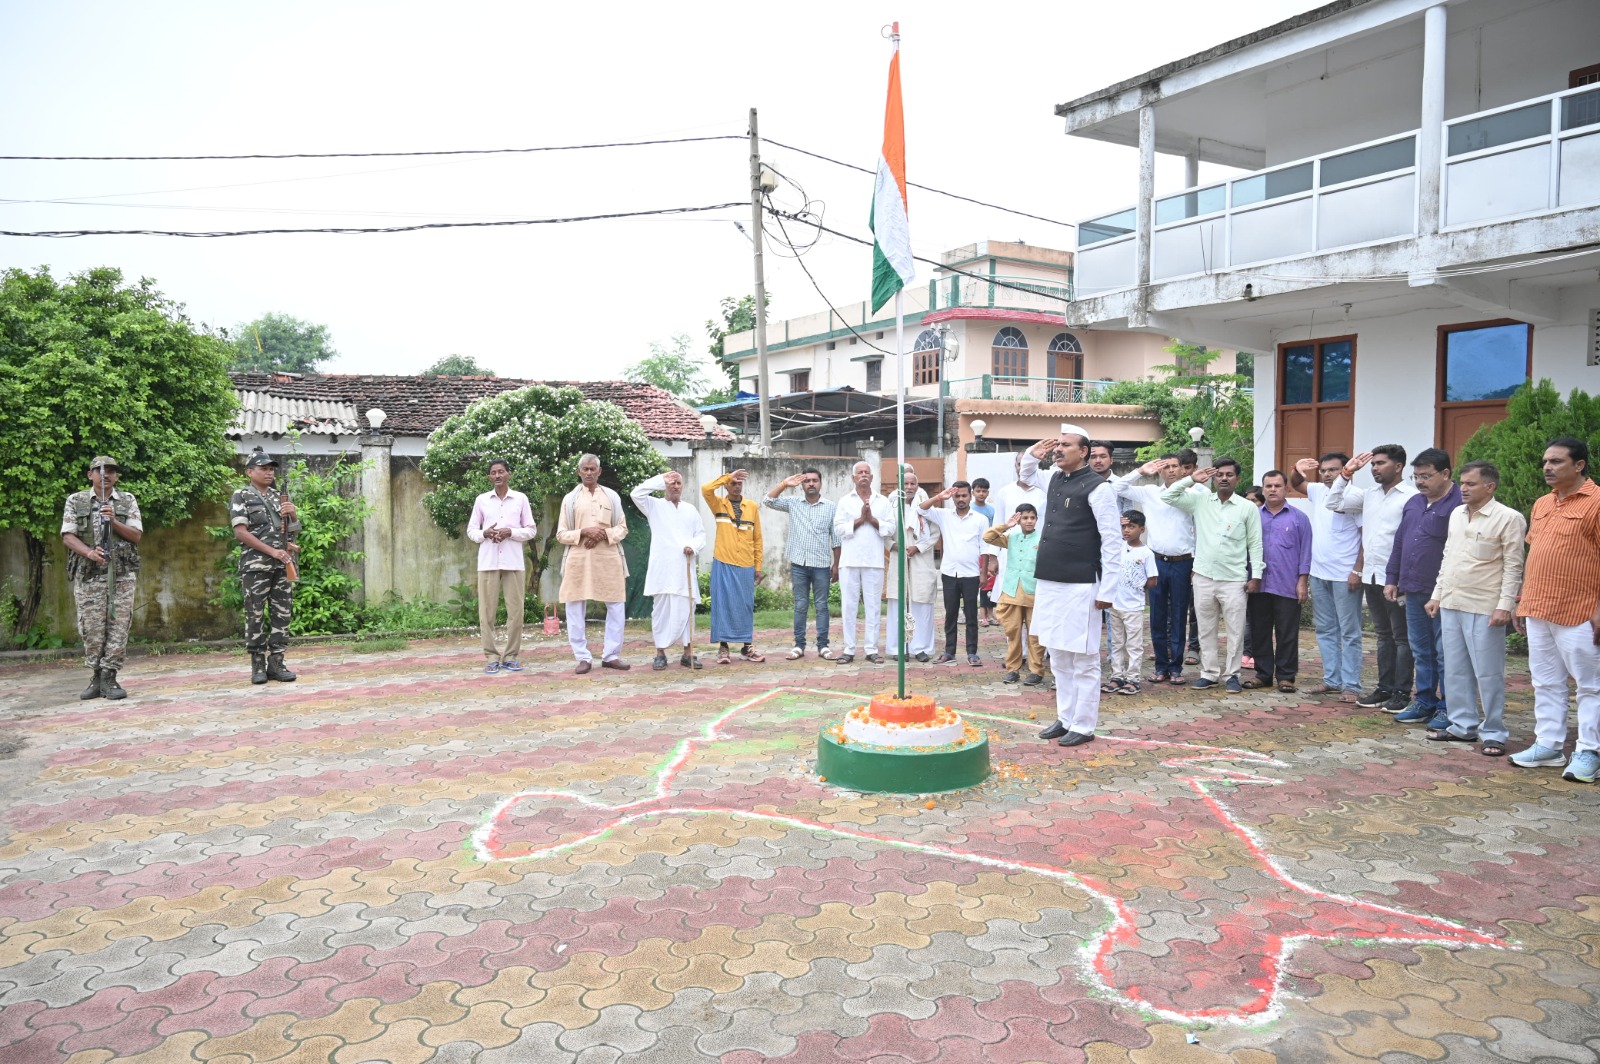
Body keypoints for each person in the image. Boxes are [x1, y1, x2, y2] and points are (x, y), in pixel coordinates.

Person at [1021, 426, 1122, 748]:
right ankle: (1065, 718)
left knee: (1084, 657)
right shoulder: (1054, 478)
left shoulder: (1098, 487)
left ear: (1084, 452)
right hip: (1051, 581)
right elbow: (1028, 475)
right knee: (1058, 656)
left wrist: (1108, 590)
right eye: (1058, 445)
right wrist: (1030, 456)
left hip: (1081, 584)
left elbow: (1112, 541)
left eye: (1066, 445)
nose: (1058, 449)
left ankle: (1083, 723)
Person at [1510, 438, 1600, 781]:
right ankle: (1548, 745)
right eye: (1545, 461)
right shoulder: (1543, 503)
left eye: (1557, 462)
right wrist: (1522, 599)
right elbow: (1537, 554)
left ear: (1579, 465)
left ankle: (1589, 751)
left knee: (1591, 685)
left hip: (1580, 608)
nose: (1548, 467)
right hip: (1539, 605)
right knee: (1545, 681)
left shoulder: (1596, 502)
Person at [1423, 460, 1525, 756]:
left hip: (1485, 606)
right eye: (1462, 483)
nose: (1463, 488)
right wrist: (1437, 595)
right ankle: (1462, 725)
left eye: (1470, 484)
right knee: (1454, 669)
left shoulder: (1509, 518)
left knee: (1488, 672)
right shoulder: (1457, 514)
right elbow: (1448, 557)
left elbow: (1513, 566)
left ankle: (1494, 731)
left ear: (1490, 487)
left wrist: (1505, 606)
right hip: (1453, 602)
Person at [1326, 445, 1417, 713]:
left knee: (1402, 638)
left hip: (1396, 578)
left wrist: (1400, 577)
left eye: (1381, 463)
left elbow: (1411, 540)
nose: (1375, 468)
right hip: (1372, 574)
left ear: (1398, 466)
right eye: (1373, 464)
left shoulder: (1411, 497)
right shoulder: (1369, 495)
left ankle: (1402, 692)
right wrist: (1346, 473)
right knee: (1382, 635)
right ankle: (1384, 688)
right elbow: (1333, 502)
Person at [1161, 458, 1263, 694]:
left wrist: (1255, 575)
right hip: (1204, 576)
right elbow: (1168, 496)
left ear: (1237, 478)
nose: (1224, 478)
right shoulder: (1200, 500)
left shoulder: (1247, 507)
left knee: (1235, 630)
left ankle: (1232, 675)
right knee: (1205, 629)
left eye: (1229, 474)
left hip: (1234, 579)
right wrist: (1190, 480)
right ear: (1213, 477)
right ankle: (1208, 673)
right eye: (1219, 475)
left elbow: (1255, 544)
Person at [1384, 448, 1462, 728]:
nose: (1420, 482)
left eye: (1426, 476)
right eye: (1416, 476)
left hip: (1443, 592)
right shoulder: (1414, 503)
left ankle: (1448, 707)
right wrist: (1392, 578)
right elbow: (1401, 541)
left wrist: (1443, 591)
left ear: (1445, 474)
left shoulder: (1459, 504)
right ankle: (1424, 701)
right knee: (1421, 649)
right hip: (1414, 588)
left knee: (1445, 651)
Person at [60, 456, 142, 700]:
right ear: (90, 475)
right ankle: (96, 675)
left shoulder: (127, 500)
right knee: (91, 626)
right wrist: (89, 553)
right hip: (89, 574)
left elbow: (136, 536)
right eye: (99, 470)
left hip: (121, 574)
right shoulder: (76, 500)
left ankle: (110, 676)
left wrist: (114, 520)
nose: (105, 475)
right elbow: (67, 535)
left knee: (119, 626)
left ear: (116, 476)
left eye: (111, 471)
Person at [1114, 451, 1198, 686]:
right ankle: (1161, 666)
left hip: (1183, 562)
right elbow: (1118, 488)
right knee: (1157, 616)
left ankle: (1176, 668)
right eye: (1166, 466)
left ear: (1184, 470)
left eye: (1175, 466)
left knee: (1180, 616)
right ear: (1160, 471)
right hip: (1156, 562)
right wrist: (1140, 471)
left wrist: (1197, 561)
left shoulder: (1194, 495)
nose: (1171, 470)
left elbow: (1201, 529)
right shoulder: (1150, 492)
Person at [1290, 454, 1365, 704]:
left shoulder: (1355, 496)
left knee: (1350, 632)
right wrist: (1297, 469)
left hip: (1345, 576)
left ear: (1347, 471)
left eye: (1333, 470)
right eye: (1323, 470)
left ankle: (1352, 685)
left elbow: (1366, 537)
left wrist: (1357, 571)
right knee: (1325, 629)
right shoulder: (1319, 491)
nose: (1327, 474)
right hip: (1319, 573)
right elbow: (1296, 484)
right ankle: (1332, 680)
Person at [230, 450, 300, 685]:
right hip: (256, 566)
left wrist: (294, 514)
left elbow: (293, 531)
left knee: (282, 614)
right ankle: (258, 664)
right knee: (255, 614)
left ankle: (277, 662)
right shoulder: (242, 495)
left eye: (271, 469)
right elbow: (241, 533)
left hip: (282, 566)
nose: (269, 472)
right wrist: (273, 552)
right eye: (263, 468)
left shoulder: (278, 496)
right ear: (250, 472)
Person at [556, 453, 630, 674]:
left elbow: (622, 528)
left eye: (592, 469)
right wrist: (584, 532)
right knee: (574, 605)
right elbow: (561, 534)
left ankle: (611, 655)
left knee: (616, 605)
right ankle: (582, 657)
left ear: (599, 472)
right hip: (579, 559)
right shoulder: (570, 499)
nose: (588, 473)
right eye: (585, 469)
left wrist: (603, 534)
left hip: (608, 558)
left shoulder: (612, 497)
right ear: (579, 472)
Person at [465, 458, 537, 675]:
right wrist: (485, 533)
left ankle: (511, 656)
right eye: (493, 473)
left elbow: (531, 530)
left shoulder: (521, 499)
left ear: (509, 475)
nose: (497, 476)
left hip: (513, 561)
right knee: (487, 612)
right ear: (489, 477)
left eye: (501, 472)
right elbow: (471, 531)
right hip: (488, 561)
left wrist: (510, 532)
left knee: (516, 611)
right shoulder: (482, 500)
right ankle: (492, 657)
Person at [632, 469, 708, 670]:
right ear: (665, 486)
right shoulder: (654, 506)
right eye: (671, 483)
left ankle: (688, 652)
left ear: (682, 487)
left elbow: (701, 534)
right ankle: (660, 653)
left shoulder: (690, 510)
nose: (675, 486)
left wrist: (694, 546)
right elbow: (636, 493)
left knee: (687, 610)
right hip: (663, 571)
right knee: (661, 612)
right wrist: (660, 479)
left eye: (678, 483)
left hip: (684, 568)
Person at [1245, 470, 1312, 692]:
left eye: (1277, 485)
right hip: (1258, 584)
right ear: (1263, 489)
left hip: (1287, 584)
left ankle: (1286, 676)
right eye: (1268, 486)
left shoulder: (1299, 518)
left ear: (1286, 488)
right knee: (1259, 630)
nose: (1273, 489)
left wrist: (1302, 581)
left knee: (1287, 633)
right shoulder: (1253, 516)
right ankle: (1263, 674)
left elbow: (1306, 552)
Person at [765, 468, 840, 660]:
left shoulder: (831, 507)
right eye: (807, 481)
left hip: (822, 564)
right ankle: (799, 646)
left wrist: (836, 565)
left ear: (820, 483)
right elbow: (768, 501)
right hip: (799, 563)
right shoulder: (793, 503)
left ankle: (823, 646)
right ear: (802, 485)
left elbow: (836, 539)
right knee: (800, 605)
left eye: (815, 480)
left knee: (822, 606)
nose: (811, 484)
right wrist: (784, 484)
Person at [920, 481, 991, 667]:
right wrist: (939, 497)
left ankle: (972, 653)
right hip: (949, 572)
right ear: (952, 497)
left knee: (971, 615)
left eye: (964, 496)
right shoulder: (944, 515)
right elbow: (921, 509)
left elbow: (984, 548)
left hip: (971, 574)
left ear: (970, 496)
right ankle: (949, 651)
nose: (960, 499)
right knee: (950, 614)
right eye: (957, 496)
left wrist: (983, 574)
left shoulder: (980, 519)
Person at [701, 469, 765, 664]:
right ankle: (723, 648)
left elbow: (758, 539)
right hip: (723, 562)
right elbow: (705, 489)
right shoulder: (719, 504)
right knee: (722, 604)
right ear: (727, 485)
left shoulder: (752, 506)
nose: (737, 487)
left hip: (745, 563)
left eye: (739, 484)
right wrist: (727, 477)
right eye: (733, 483)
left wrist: (758, 566)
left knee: (745, 605)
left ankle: (747, 647)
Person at [833, 461, 894, 664]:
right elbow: (839, 529)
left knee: (873, 607)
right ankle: (849, 649)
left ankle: (871, 649)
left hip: (874, 560)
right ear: (853, 477)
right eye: (859, 472)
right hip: (849, 561)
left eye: (867, 472)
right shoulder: (845, 501)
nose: (863, 475)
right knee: (849, 606)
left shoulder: (883, 501)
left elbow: (891, 528)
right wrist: (860, 520)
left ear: (872, 477)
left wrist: (873, 520)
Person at [983, 502, 1045, 684]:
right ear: (1019, 519)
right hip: (1011, 591)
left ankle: (1036, 670)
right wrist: (1007, 525)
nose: (1029, 521)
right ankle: (1013, 669)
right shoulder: (1012, 536)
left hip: (1033, 592)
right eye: (1025, 518)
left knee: (1035, 635)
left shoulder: (1042, 539)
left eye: (1032, 518)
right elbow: (988, 537)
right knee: (1013, 633)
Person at [886, 467, 939, 661]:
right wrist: (893, 545)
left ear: (917, 486)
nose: (909, 487)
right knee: (897, 603)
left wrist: (918, 547)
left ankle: (920, 648)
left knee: (921, 603)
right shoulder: (891, 505)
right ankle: (897, 648)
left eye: (912, 483)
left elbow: (934, 533)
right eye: (905, 483)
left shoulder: (925, 506)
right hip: (898, 557)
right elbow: (884, 530)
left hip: (920, 558)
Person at [1105, 510, 1159, 695]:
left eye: (1131, 527)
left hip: (1134, 607)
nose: (1126, 530)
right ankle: (1117, 676)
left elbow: (1153, 580)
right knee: (1117, 643)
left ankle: (1133, 679)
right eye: (1124, 526)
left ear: (1141, 529)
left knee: (1134, 645)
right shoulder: (1116, 547)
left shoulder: (1146, 553)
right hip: (1115, 605)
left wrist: (1137, 584)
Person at [970, 477, 999, 626]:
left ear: (988, 492)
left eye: (984, 491)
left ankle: (990, 612)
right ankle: (974, 613)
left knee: (989, 582)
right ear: (973, 492)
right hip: (973, 550)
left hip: (987, 550)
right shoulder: (969, 509)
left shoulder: (992, 511)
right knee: (974, 582)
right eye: (978, 491)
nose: (981, 493)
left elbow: (994, 531)